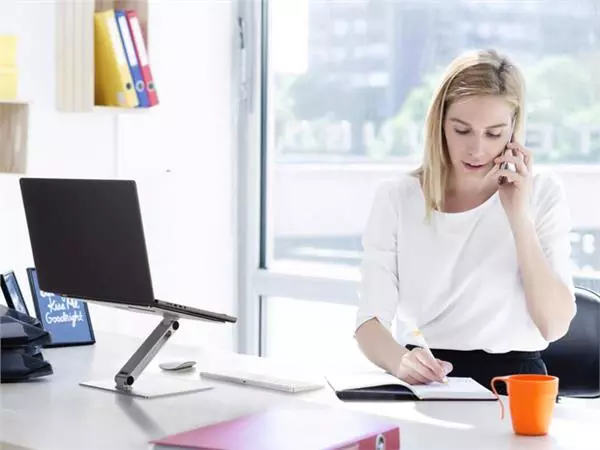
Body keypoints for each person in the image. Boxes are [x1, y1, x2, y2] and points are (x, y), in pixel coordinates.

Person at [354, 49, 576, 390]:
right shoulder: (397, 197)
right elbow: (369, 322)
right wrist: (399, 360)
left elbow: (554, 325)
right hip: (428, 376)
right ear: (440, 123)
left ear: (514, 130)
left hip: (518, 383)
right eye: (462, 130)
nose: (476, 149)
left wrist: (518, 215)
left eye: (493, 133)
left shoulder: (543, 193)